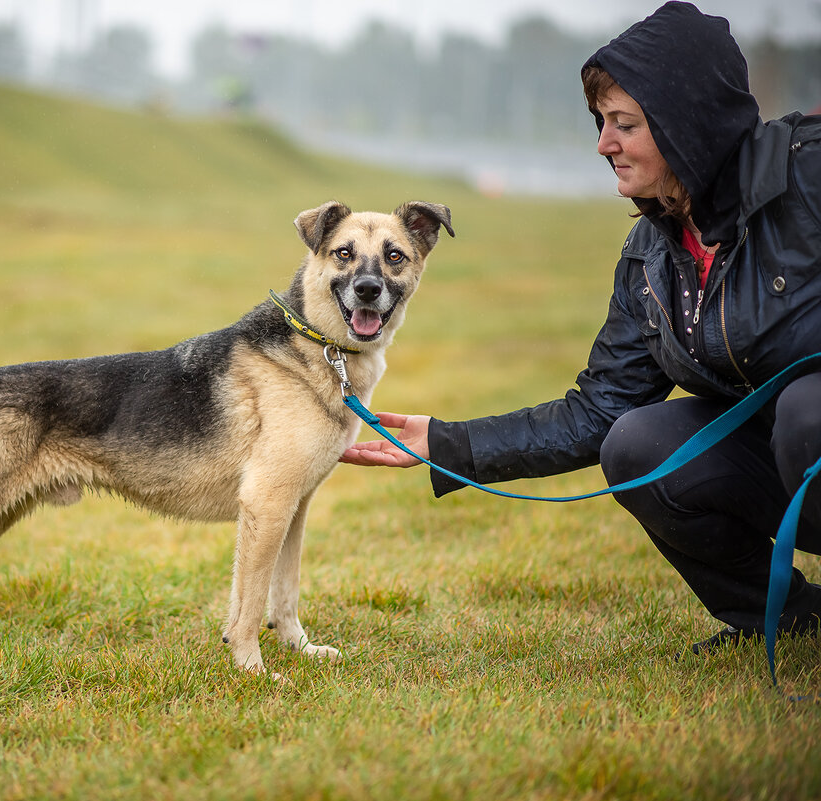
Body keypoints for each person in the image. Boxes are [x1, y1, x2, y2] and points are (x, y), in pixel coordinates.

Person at [341, 1, 821, 656]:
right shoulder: (651, 255)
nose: (603, 144)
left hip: (810, 428)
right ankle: (783, 616)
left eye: (624, 123)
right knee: (637, 441)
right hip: (778, 454)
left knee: (807, 409)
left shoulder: (809, 175)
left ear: (689, 124)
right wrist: (449, 443)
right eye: (601, 123)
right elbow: (599, 410)